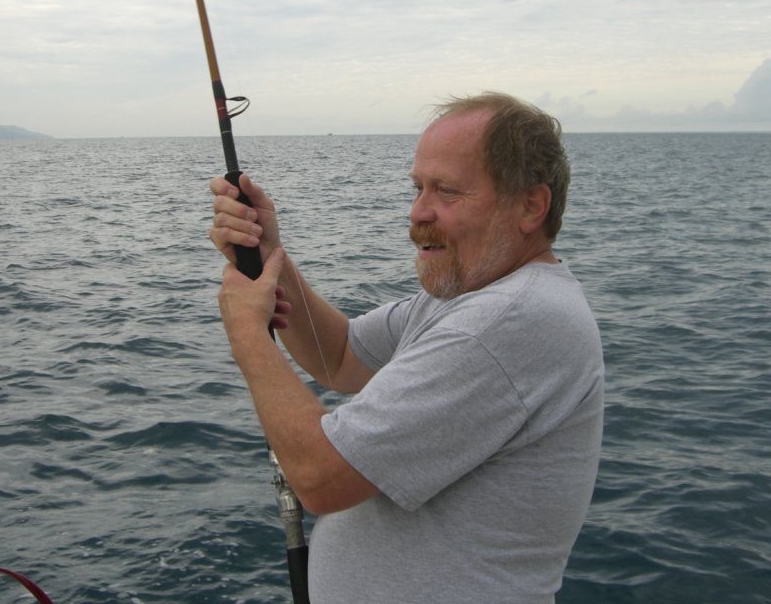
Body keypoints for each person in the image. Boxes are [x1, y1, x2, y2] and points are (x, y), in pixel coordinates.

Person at [210, 92, 604, 604]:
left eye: (447, 191)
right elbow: (341, 356)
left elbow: (321, 478)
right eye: (418, 187)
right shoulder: (466, 297)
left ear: (531, 205)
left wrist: (247, 334)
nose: (418, 211)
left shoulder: (503, 321)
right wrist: (270, 255)